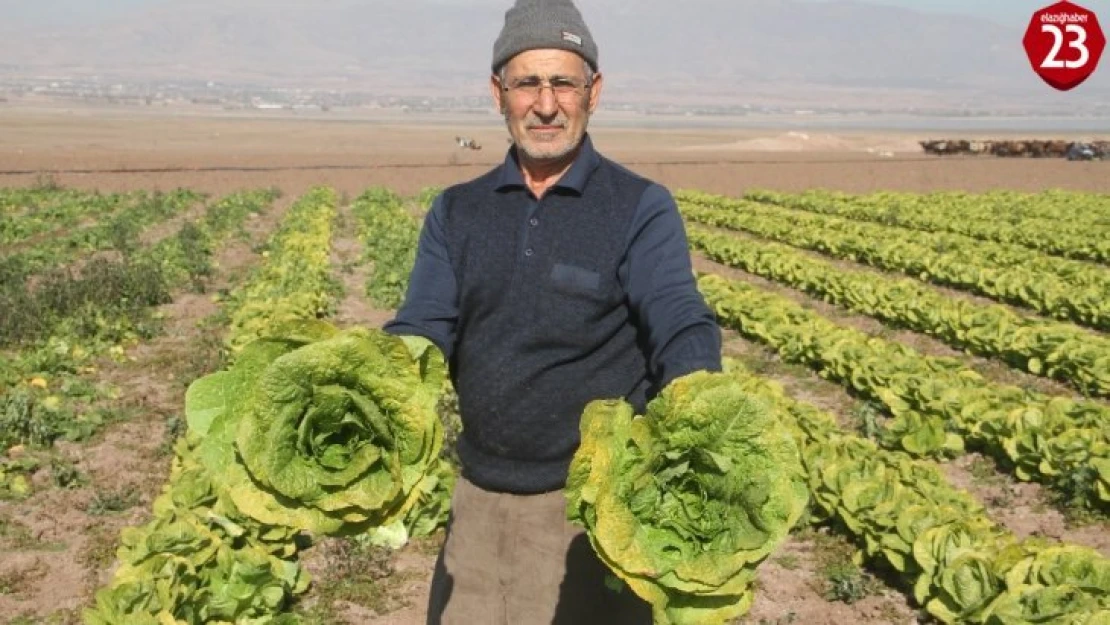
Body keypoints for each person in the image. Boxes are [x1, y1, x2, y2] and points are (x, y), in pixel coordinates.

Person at [383, 0, 722, 622]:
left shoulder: (639, 206)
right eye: (527, 83)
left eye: (564, 82)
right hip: (477, 502)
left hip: (592, 513)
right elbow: (423, 326)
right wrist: (371, 382)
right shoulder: (458, 210)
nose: (545, 104)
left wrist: (699, 396)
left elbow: (676, 313)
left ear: (595, 91)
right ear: (498, 93)